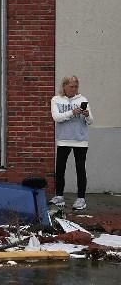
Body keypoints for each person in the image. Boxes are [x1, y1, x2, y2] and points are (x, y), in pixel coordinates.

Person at [50, 75, 94, 211]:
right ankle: (59, 196)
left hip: (80, 140)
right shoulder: (56, 99)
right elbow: (56, 117)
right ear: (64, 86)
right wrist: (71, 112)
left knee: (80, 169)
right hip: (63, 139)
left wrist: (86, 115)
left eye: (76, 86)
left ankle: (81, 199)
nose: (74, 89)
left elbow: (91, 121)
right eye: (71, 86)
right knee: (60, 168)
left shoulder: (83, 99)